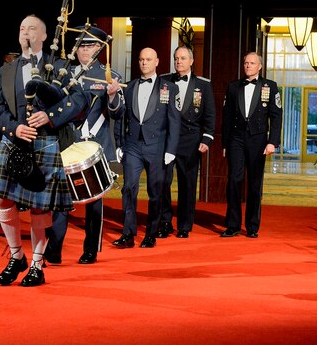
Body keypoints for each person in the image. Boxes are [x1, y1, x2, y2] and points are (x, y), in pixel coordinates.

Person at [0, 14, 86, 286]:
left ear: (44, 36)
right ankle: (17, 255)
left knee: (40, 208)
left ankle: (38, 263)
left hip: (46, 140)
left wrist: (51, 116)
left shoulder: (59, 65)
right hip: (15, 140)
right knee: (1, 200)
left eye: (32, 28)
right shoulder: (6, 70)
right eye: (22, 27)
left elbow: (78, 99)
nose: (25, 32)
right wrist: (14, 128)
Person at [44, 26, 125, 265]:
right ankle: (54, 248)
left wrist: (112, 96)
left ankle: (90, 249)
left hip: (93, 144)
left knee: (94, 202)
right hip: (66, 143)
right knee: (59, 200)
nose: (83, 50)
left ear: (99, 48)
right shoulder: (63, 71)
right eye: (80, 45)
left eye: (89, 46)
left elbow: (117, 113)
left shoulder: (109, 74)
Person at [113, 47, 180, 249]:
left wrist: (171, 150)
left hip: (157, 146)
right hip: (133, 145)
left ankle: (151, 233)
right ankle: (128, 233)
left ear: (157, 62)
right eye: (141, 59)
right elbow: (121, 117)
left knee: (155, 191)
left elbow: (174, 122)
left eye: (148, 59)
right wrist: (119, 143)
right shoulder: (130, 86)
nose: (144, 63)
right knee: (129, 188)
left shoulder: (169, 88)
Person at [221, 51, 282, 238]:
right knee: (234, 180)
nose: (248, 66)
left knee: (255, 183)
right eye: (246, 62)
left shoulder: (270, 86)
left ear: (260, 66)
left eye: (252, 63)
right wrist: (225, 144)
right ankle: (232, 225)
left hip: (258, 139)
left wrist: (273, 142)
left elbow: (276, 116)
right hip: (236, 139)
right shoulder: (233, 87)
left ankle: (252, 226)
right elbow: (227, 117)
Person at [158, 45, 216, 239]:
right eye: (176, 58)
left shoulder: (203, 85)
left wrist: (207, 138)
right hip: (167, 138)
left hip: (191, 139)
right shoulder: (164, 81)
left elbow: (210, 115)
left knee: (187, 184)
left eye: (183, 58)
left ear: (191, 61)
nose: (178, 62)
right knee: (163, 182)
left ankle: (184, 225)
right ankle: (165, 221)